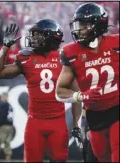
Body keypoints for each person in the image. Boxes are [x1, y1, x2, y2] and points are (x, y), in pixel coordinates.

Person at [0, 20, 82, 162]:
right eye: (34, 34)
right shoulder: (26, 57)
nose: (33, 38)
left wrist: (76, 125)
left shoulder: (64, 58)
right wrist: (5, 48)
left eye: (38, 35)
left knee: (59, 159)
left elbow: (76, 95)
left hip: (57, 122)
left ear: (50, 37)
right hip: (35, 122)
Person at [55, 3, 119, 162]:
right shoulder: (71, 52)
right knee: (101, 156)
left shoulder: (116, 44)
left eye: (84, 25)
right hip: (95, 115)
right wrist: (81, 96)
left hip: (117, 108)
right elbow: (60, 91)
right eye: (78, 25)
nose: (79, 29)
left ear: (97, 25)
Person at [0, 92, 14, 161]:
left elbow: (1, 117)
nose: (1, 98)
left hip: (3, 127)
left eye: (2, 97)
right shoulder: (10, 105)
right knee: (7, 144)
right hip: (10, 127)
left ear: (5, 97)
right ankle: (8, 160)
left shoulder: (3, 105)